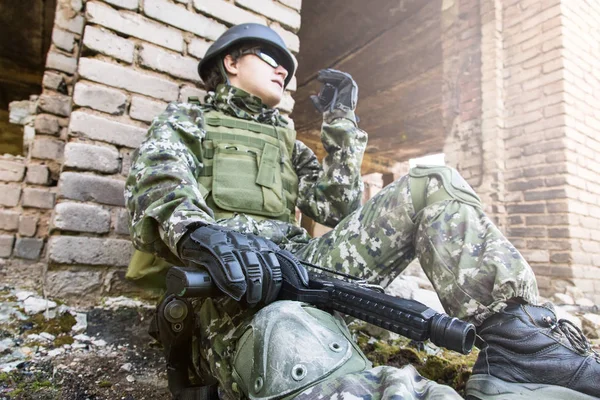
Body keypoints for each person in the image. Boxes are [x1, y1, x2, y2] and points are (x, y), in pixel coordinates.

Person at [125, 23, 599, 400]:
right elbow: (158, 180)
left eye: (288, 72)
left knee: (432, 183)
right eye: (272, 60)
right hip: (229, 287)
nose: (283, 74)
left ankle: (521, 350)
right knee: (288, 344)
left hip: (306, 267)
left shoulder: (287, 141)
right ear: (230, 61)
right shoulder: (187, 120)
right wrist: (199, 234)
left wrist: (341, 124)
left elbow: (338, 207)